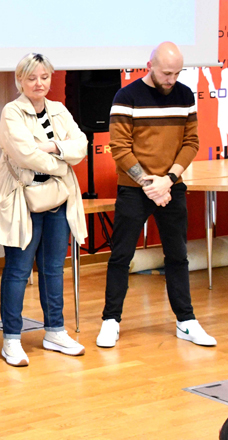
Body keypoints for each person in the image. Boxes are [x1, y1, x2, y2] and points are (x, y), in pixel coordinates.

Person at [96, 41, 216, 348]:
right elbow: (119, 147)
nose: (171, 79)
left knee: (177, 256)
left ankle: (186, 321)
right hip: (135, 189)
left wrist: (169, 179)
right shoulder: (126, 97)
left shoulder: (185, 95)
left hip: (170, 187)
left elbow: (191, 142)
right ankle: (111, 321)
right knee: (121, 255)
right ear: (150, 65)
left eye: (177, 73)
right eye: (166, 73)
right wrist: (150, 185)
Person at [0, 53, 88, 367]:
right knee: (18, 271)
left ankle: (55, 331)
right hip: (23, 201)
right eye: (32, 78)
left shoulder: (58, 109)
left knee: (53, 269)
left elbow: (81, 146)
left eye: (44, 77)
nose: (39, 83)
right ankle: (11, 338)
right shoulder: (12, 112)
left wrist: (53, 146)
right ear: (20, 80)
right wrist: (62, 162)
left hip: (57, 200)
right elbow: (24, 155)